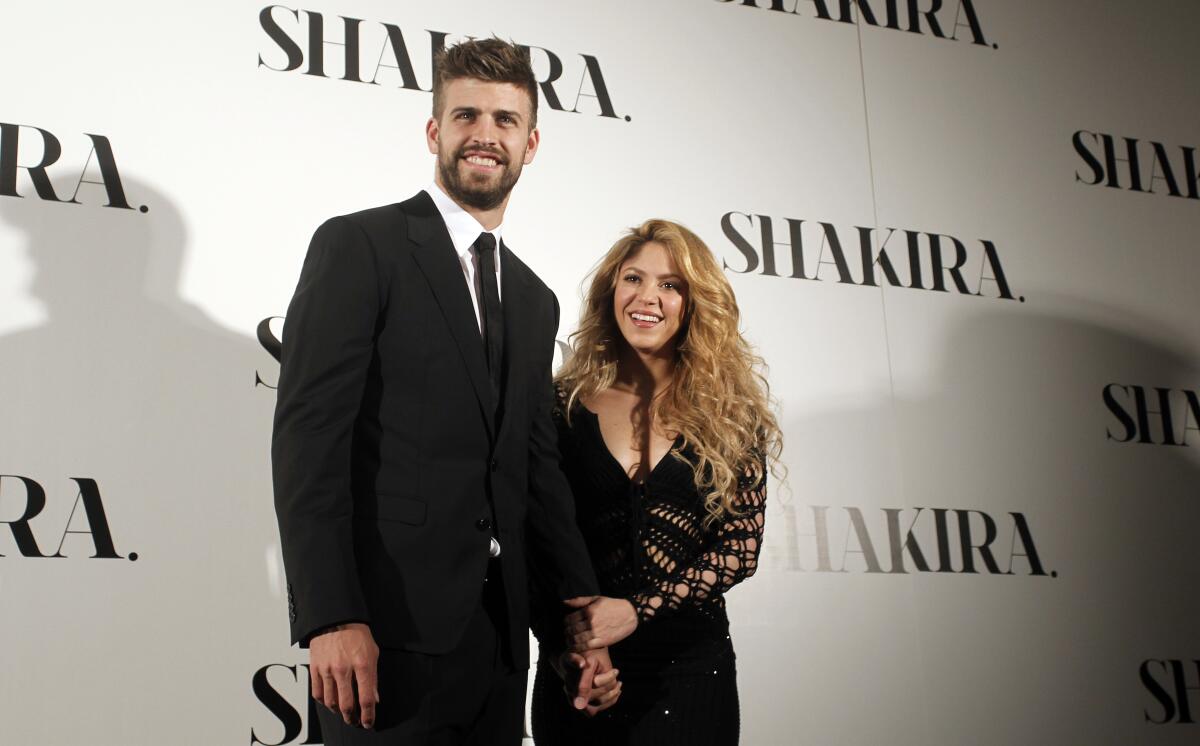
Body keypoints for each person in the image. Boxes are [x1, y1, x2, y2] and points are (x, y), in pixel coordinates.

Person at [271, 38, 617, 745]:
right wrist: (333, 617)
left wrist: (575, 618)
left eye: (505, 120)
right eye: (466, 116)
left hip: (497, 651)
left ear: (531, 142)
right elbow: (310, 444)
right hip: (380, 643)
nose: (485, 135)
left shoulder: (534, 297)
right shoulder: (360, 247)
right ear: (435, 132)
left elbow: (534, 471)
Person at [530, 220, 782, 745]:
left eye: (671, 285)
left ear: (695, 303)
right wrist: (564, 649)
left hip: (690, 673)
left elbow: (739, 549)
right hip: (581, 674)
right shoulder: (558, 406)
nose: (648, 297)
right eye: (633, 279)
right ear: (611, 291)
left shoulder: (731, 415)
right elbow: (532, 541)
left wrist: (635, 612)